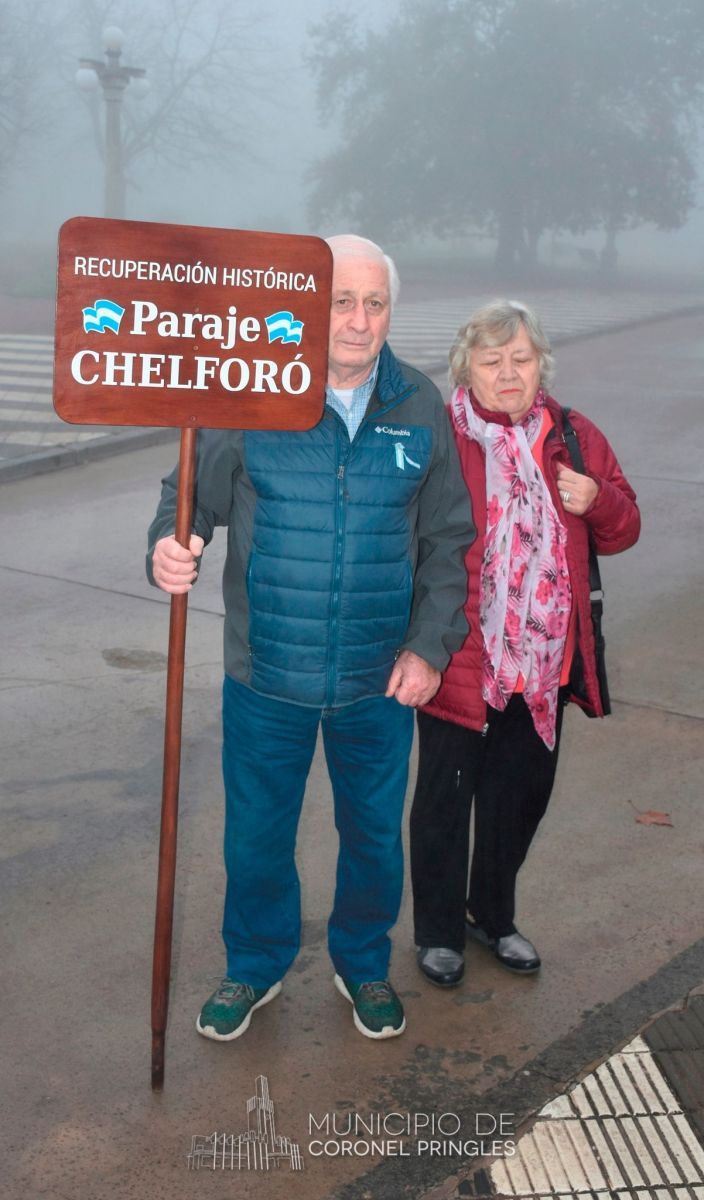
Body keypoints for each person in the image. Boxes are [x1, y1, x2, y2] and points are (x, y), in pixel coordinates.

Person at [146, 234, 473, 1040]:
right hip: (267, 672)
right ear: (309, 307)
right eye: (341, 301)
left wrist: (429, 646)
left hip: (378, 678)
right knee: (257, 836)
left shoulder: (418, 404)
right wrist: (171, 544)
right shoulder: (253, 391)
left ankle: (362, 962)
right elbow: (190, 497)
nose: (359, 321)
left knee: (373, 837)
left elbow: (447, 539)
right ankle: (255, 965)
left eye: (375, 303)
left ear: (390, 311)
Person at [410, 299, 640, 988]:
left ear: (541, 363)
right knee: (445, 802)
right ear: (466, 369)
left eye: (521, 358)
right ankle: (438, 933)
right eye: (492, 360)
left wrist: (596, 499)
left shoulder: (573, 434)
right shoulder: (438, 435)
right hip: (461, 656)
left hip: (542, 666)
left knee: (519, 801)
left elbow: (624, 527)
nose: (508, 373)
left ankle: (491, 915)